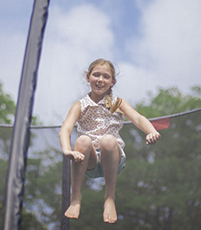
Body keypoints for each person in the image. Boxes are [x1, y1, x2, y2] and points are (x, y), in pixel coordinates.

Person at [59, 58, 161, 223]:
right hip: (88, 160)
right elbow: (65, 129)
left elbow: (138, 118)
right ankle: (76, 197)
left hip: (113, 157)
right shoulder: (80, 106)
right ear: (88, 77)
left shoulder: (116, 103)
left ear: (112, 82)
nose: (100, 80)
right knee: (83, 140)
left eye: (106, 77)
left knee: (108, 140)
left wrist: (151, 131)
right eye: (96, 75)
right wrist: (67, 150)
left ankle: (109, 197)